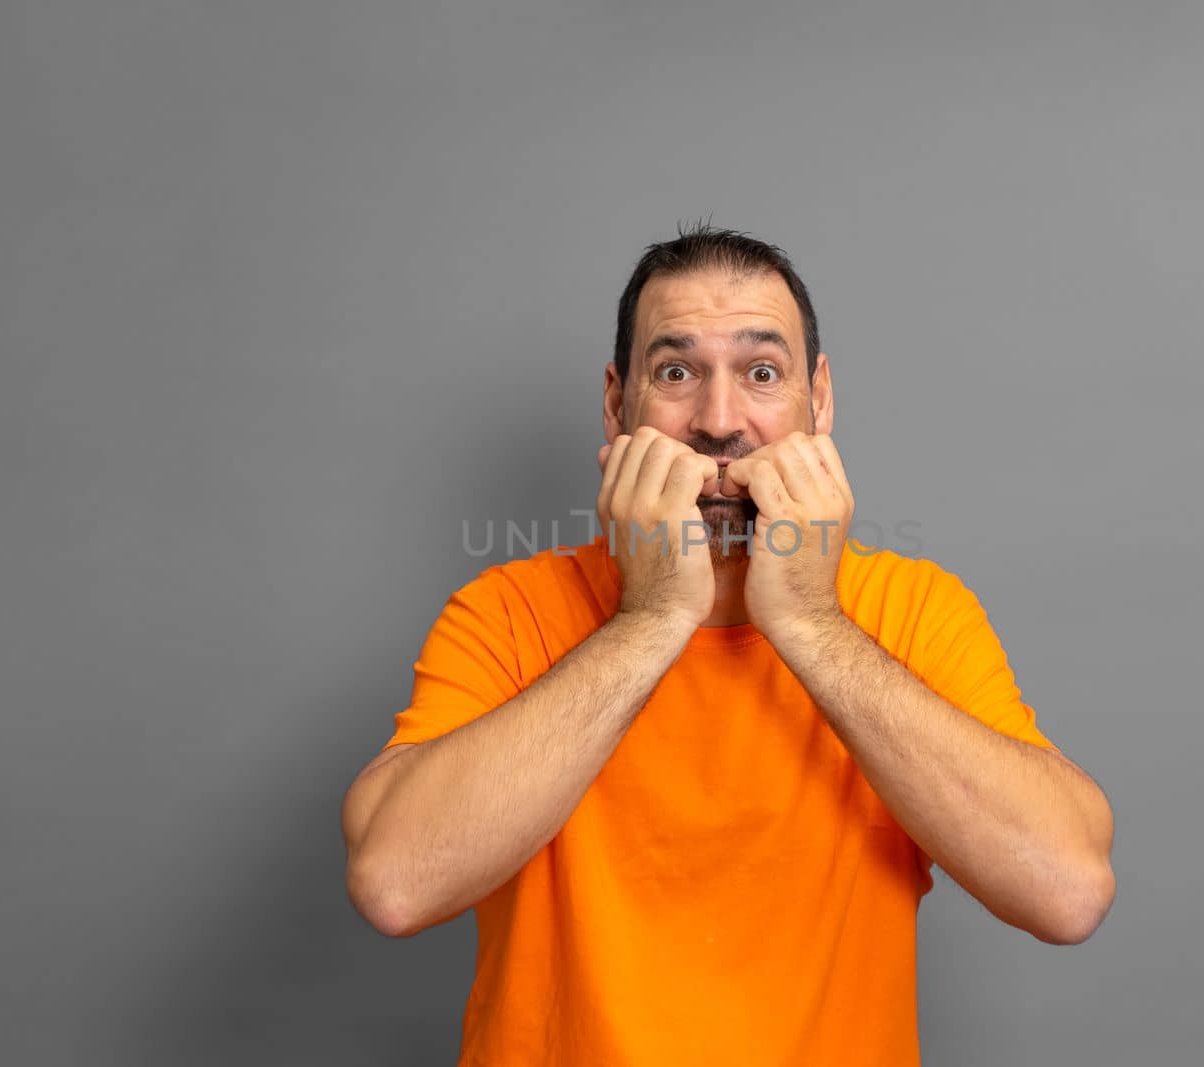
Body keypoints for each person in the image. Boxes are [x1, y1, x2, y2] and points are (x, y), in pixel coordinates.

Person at [341, 223, 1116, 1064]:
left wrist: (812, 624)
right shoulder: (510, 612)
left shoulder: (912, 608)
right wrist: (650, 619)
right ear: (616, 402)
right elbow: (395, 882)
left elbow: (1068, 891)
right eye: (675, 372)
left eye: (761, 373)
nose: (718, 422)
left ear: (818, 401)